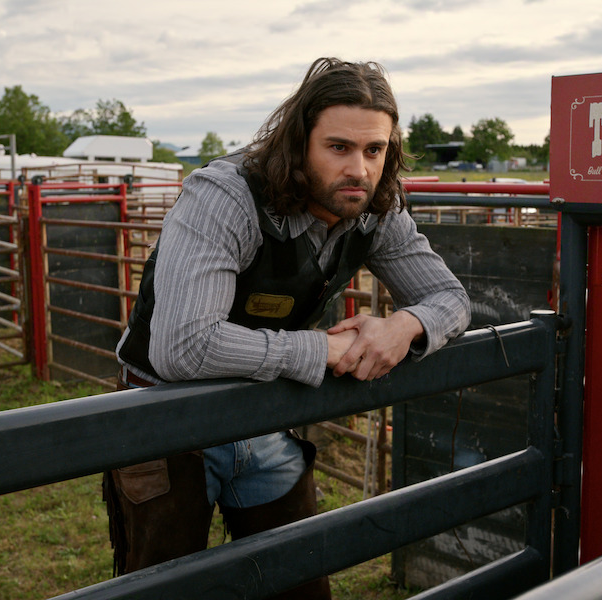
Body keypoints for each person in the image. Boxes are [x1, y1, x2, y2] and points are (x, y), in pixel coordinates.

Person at [107, 57, 471, 599]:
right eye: (339, 147)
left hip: (265, 414)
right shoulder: (226, 196)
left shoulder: (375, 209)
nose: (360, 170)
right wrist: (321, 352)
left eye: (374, 151)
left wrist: (405, 326)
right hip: (165, 415)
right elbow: (183, 347)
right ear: (299, 142)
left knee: (299, 579)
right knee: (164, 584)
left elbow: (451, 298)